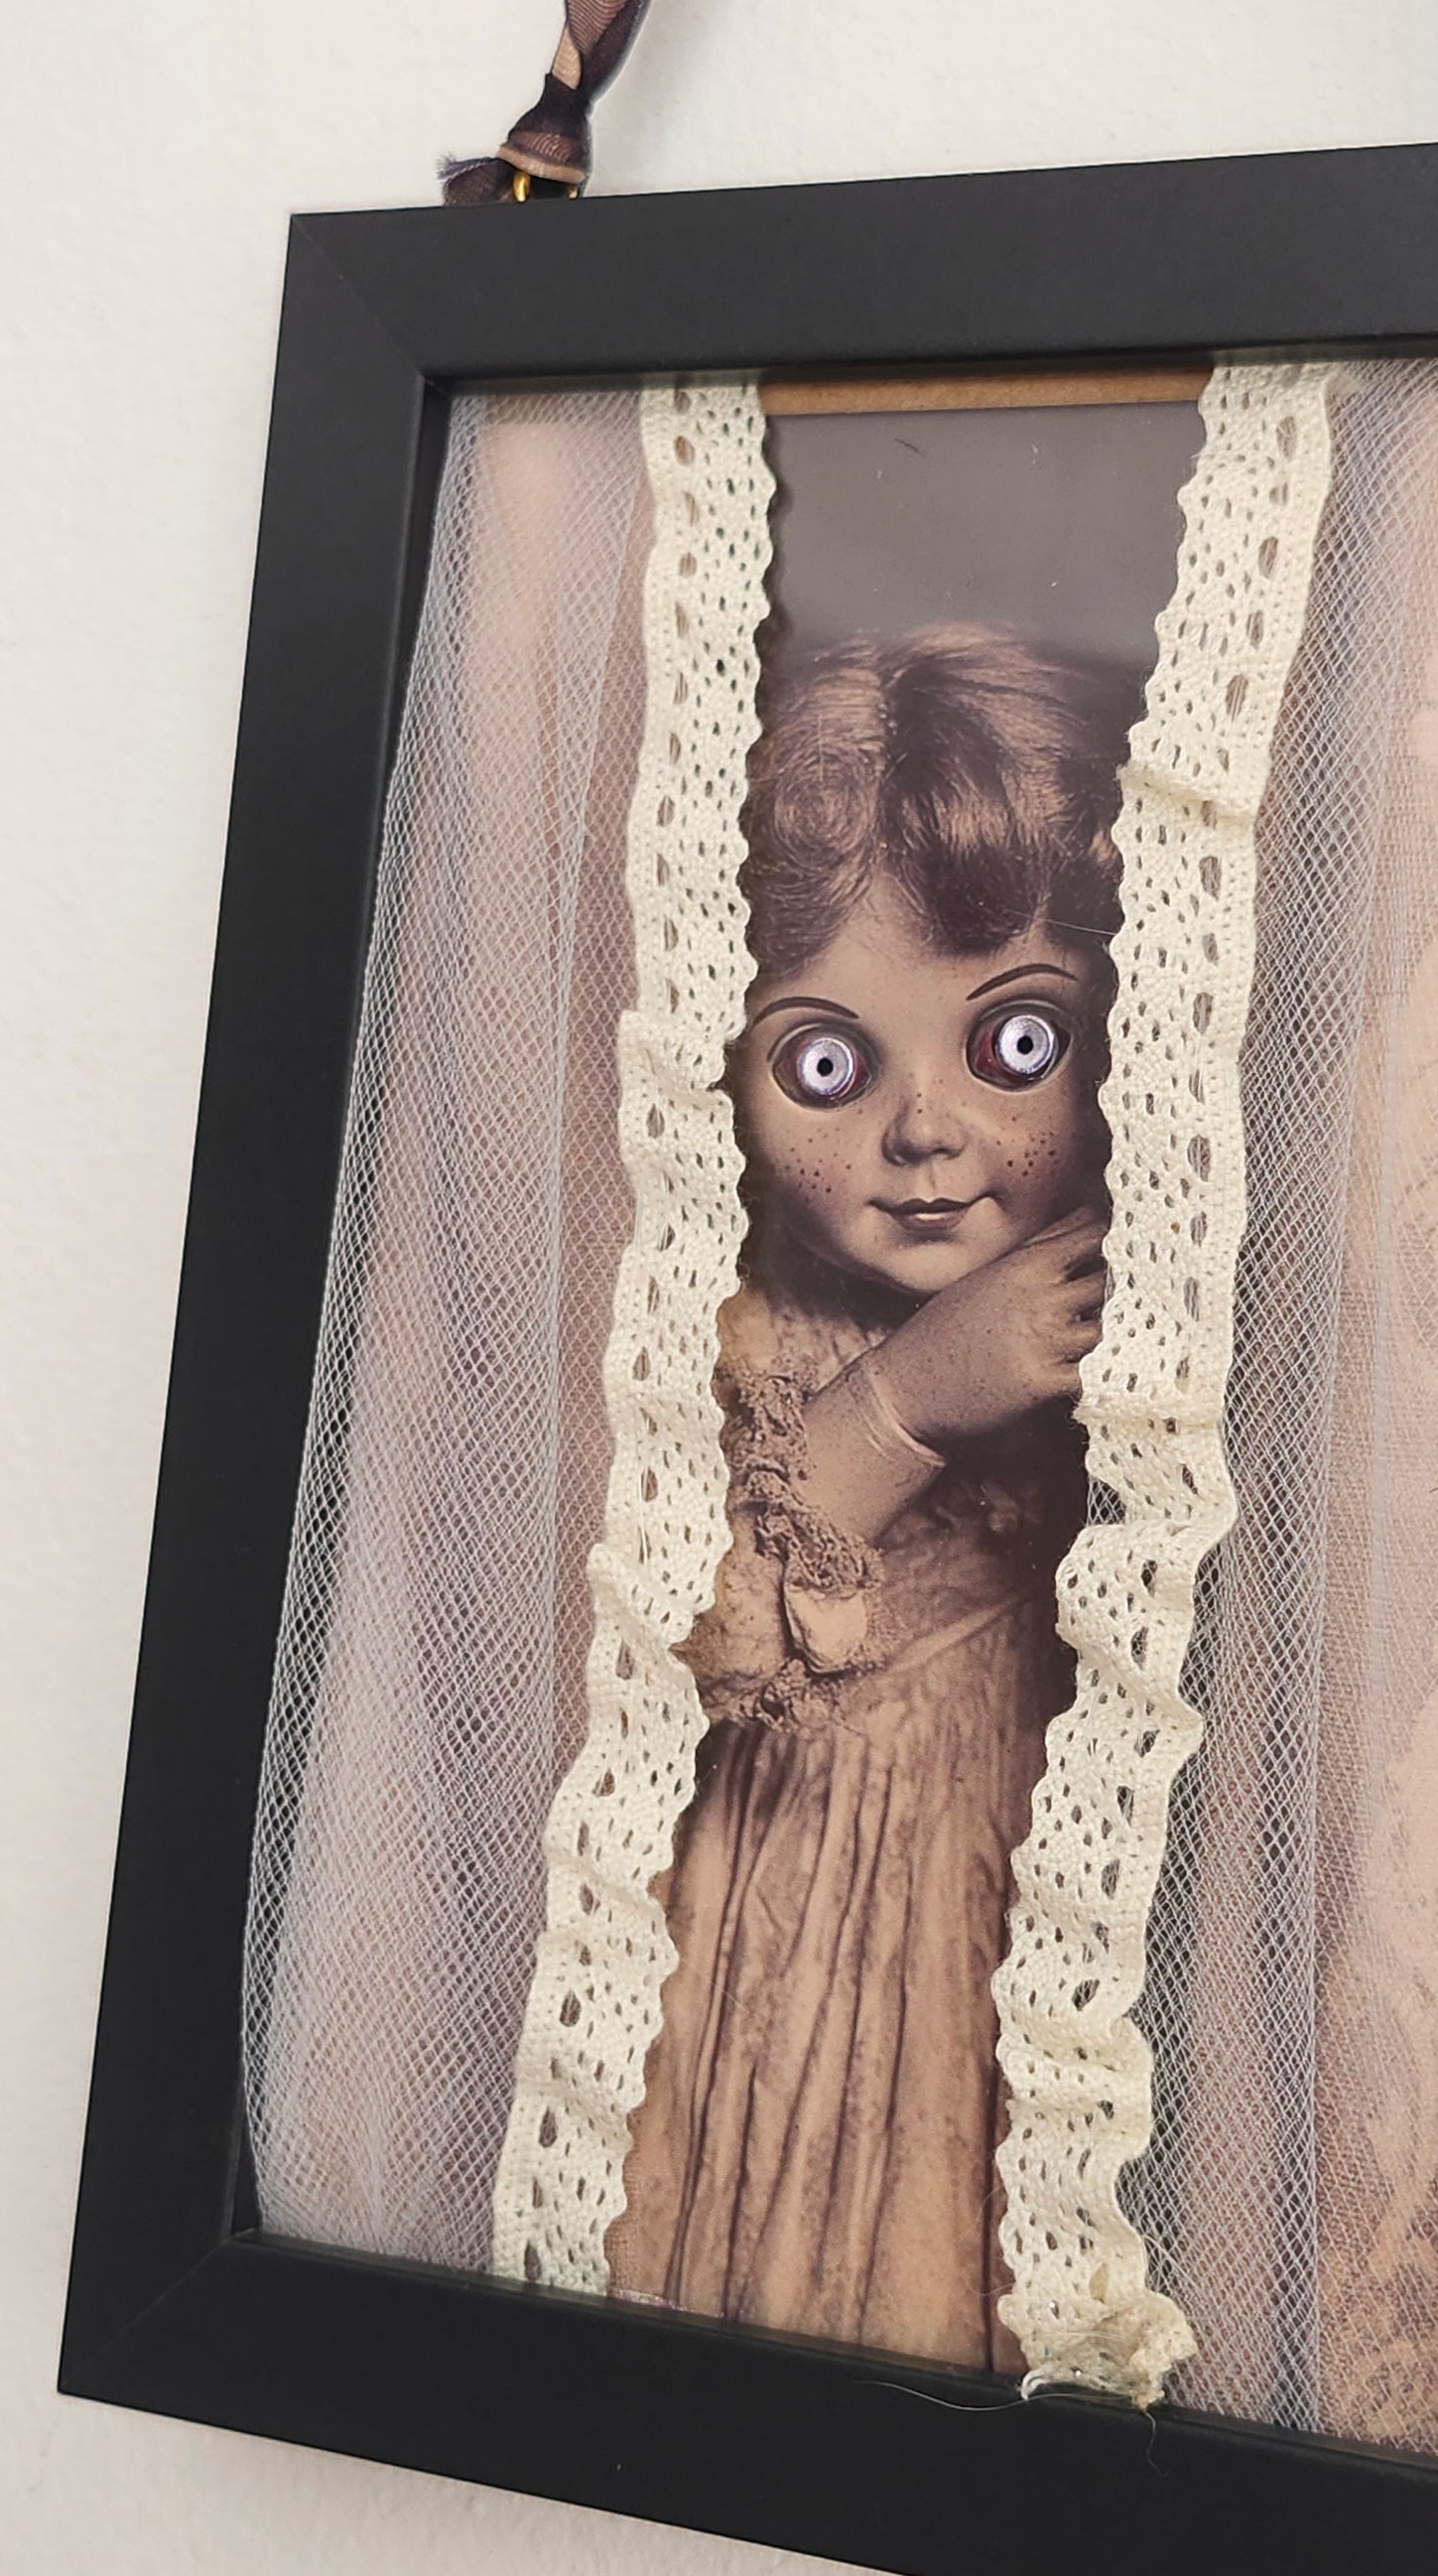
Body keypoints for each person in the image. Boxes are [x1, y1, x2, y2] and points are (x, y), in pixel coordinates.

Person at [609, 625, 1128, 2372]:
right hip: (786, 1932)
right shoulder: (735, 1327)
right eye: (825, 1064)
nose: (923, 1132)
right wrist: (906, 1400)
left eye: (1013, 1042)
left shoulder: (1140, 1302)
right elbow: (678, 1638)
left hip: (1018, 1922)